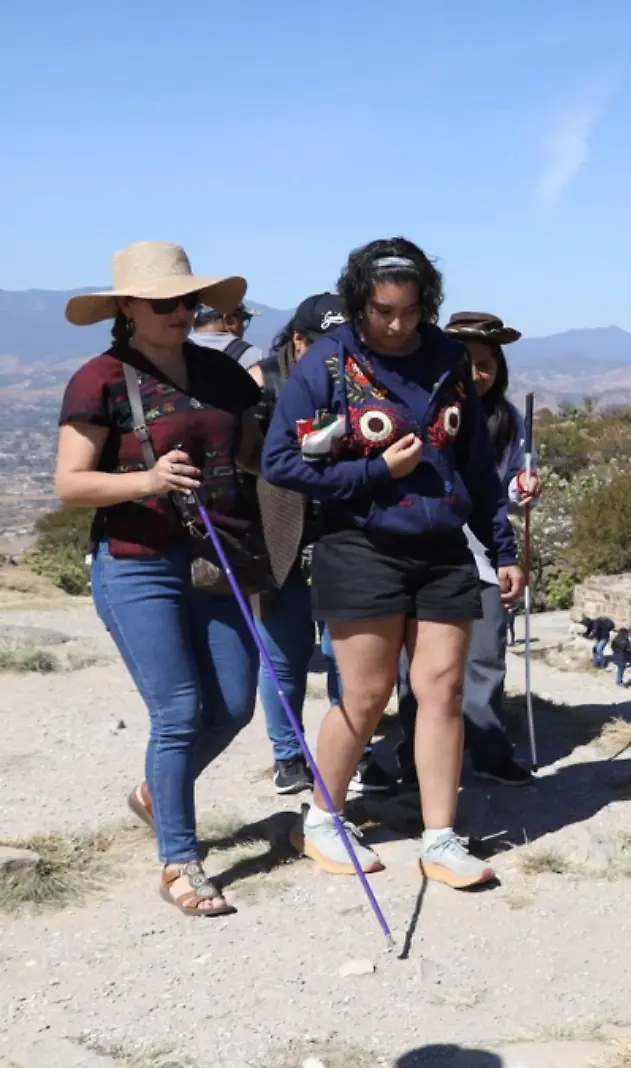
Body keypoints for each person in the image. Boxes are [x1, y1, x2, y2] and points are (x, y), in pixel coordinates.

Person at [262, 237, 522, 890]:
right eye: (382, 311)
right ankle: (323, 816)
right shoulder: (327, 361)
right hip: (361, 545)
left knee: (442, 690)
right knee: (370, 694)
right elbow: (281, 462)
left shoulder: (449, 360)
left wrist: (503, 548)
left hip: (443, 550)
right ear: (359, 303)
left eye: (409, 311)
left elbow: (476, 471)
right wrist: (376, 470)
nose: (397, 325)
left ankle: (440, 838)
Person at [55, 241, 262, 916]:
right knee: (177, 713)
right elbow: (68, 483)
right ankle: (179, 861)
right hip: (136, 561)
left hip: (217, 558)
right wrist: (145, 480)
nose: (181, 313)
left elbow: (262, 450)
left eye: (189, 301)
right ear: (127, 308)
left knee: (233, 704)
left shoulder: (223, 375)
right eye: (165, 303)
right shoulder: (101, 379)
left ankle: (153, 793)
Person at [380, 312, 540, 789]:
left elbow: (507, 487)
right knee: (418, 671)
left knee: (486, 656)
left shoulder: (507, 422)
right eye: (465, 362)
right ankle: (414, 763)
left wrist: (523, 489)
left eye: (486, 364)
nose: (476, 374)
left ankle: (489, 752)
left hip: (485, 557)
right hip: (423, 555)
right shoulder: (417, 411)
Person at [247, 293, 349, 795]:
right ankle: (289, 756)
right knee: (283, 656)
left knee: (346, 655)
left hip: (344, 538)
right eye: (324, 345)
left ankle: (352, 749)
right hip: (277, 535)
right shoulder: (263, 384)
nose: (335, 356)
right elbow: (243, 454)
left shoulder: (359, 383)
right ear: (298, 340)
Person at [189, 300, 260, 368]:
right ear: (229, 320)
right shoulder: (251, 354)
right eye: (243, 320)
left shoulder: (179, 348)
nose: (243, 328)